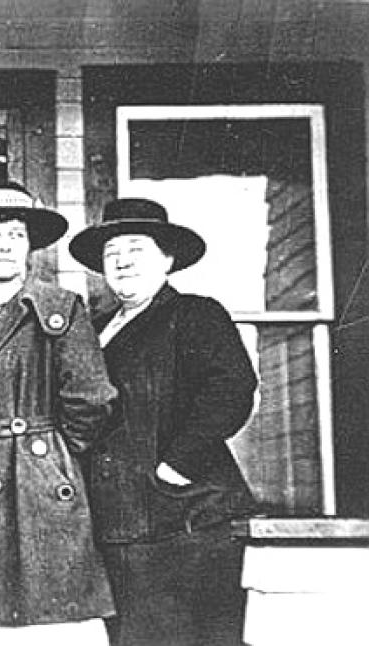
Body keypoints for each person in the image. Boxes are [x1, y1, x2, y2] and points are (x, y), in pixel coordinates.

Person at [0, 183, 118, 645]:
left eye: (16, 235)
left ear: (30, 247)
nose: (5, 245)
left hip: (34, 489)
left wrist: (46, 459)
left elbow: (92, 398)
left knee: (47, 621)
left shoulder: (54, 307)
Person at [68, 197, 259, 646]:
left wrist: (175, 466)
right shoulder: (93, 330)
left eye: (136, 248)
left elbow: (231, 389)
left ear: (167, 259)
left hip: (187, 524)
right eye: (112, 252)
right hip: (117, 527)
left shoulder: (194, 314)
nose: (122, 260)